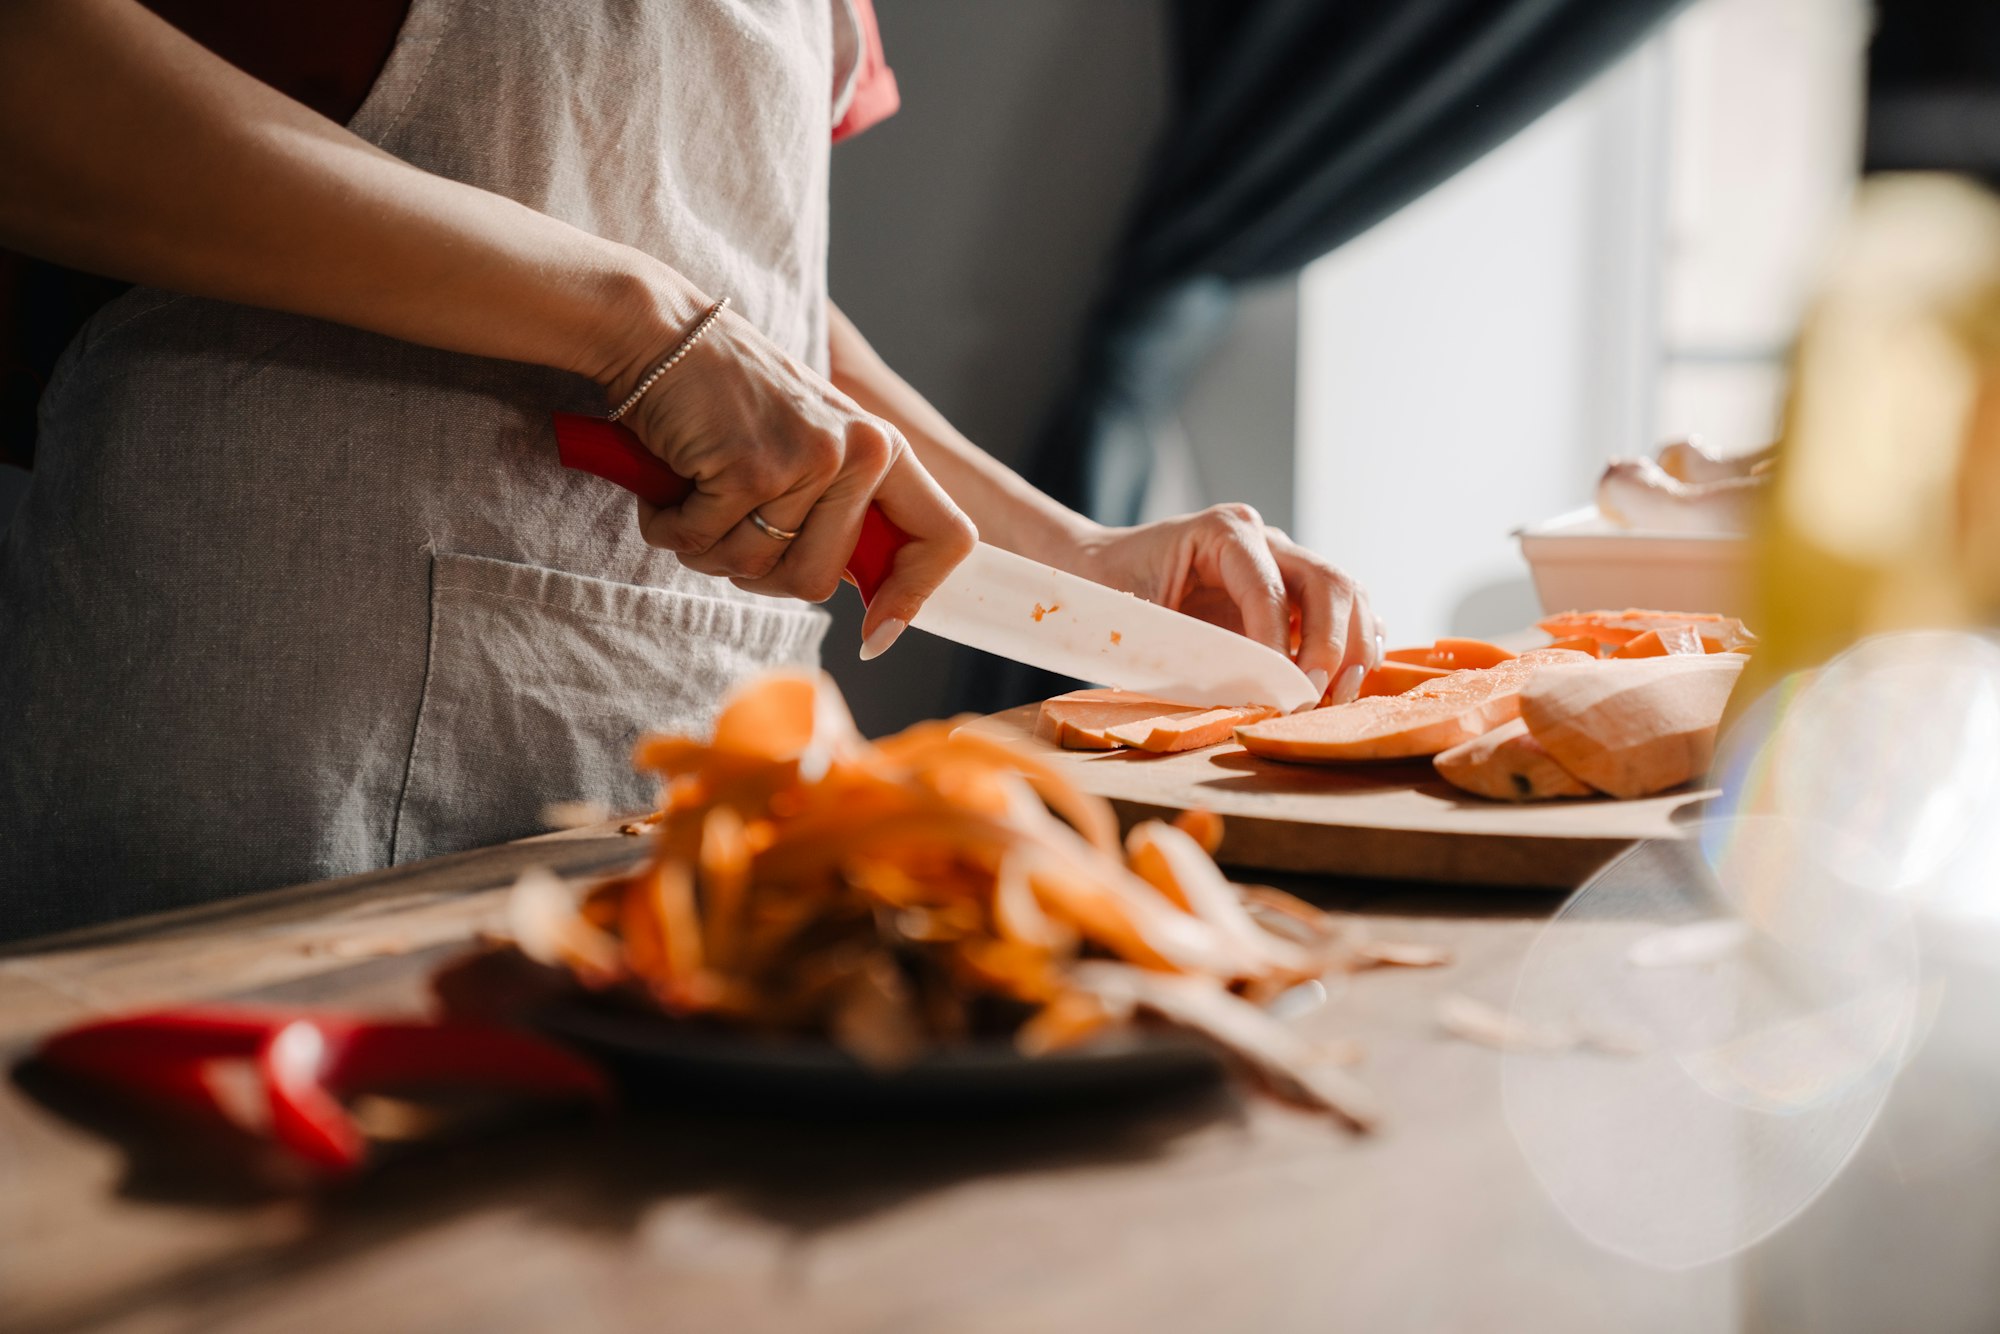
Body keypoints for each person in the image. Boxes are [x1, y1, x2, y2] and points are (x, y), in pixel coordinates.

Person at [0, 0, 1377, 938]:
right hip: (259, 720)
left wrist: (1059, 553)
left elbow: (741, 288)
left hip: (695, 742)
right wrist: (631, 326)